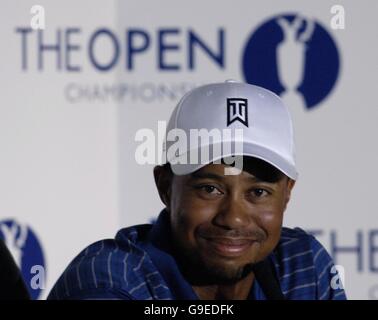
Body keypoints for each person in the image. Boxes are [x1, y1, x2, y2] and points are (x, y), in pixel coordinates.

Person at [48, 80, 346, 300]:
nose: (234, 218)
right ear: (165, 186)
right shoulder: (109, 282)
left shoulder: (302, 266)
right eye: (210, 189)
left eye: (258, 192)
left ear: (287, 193)